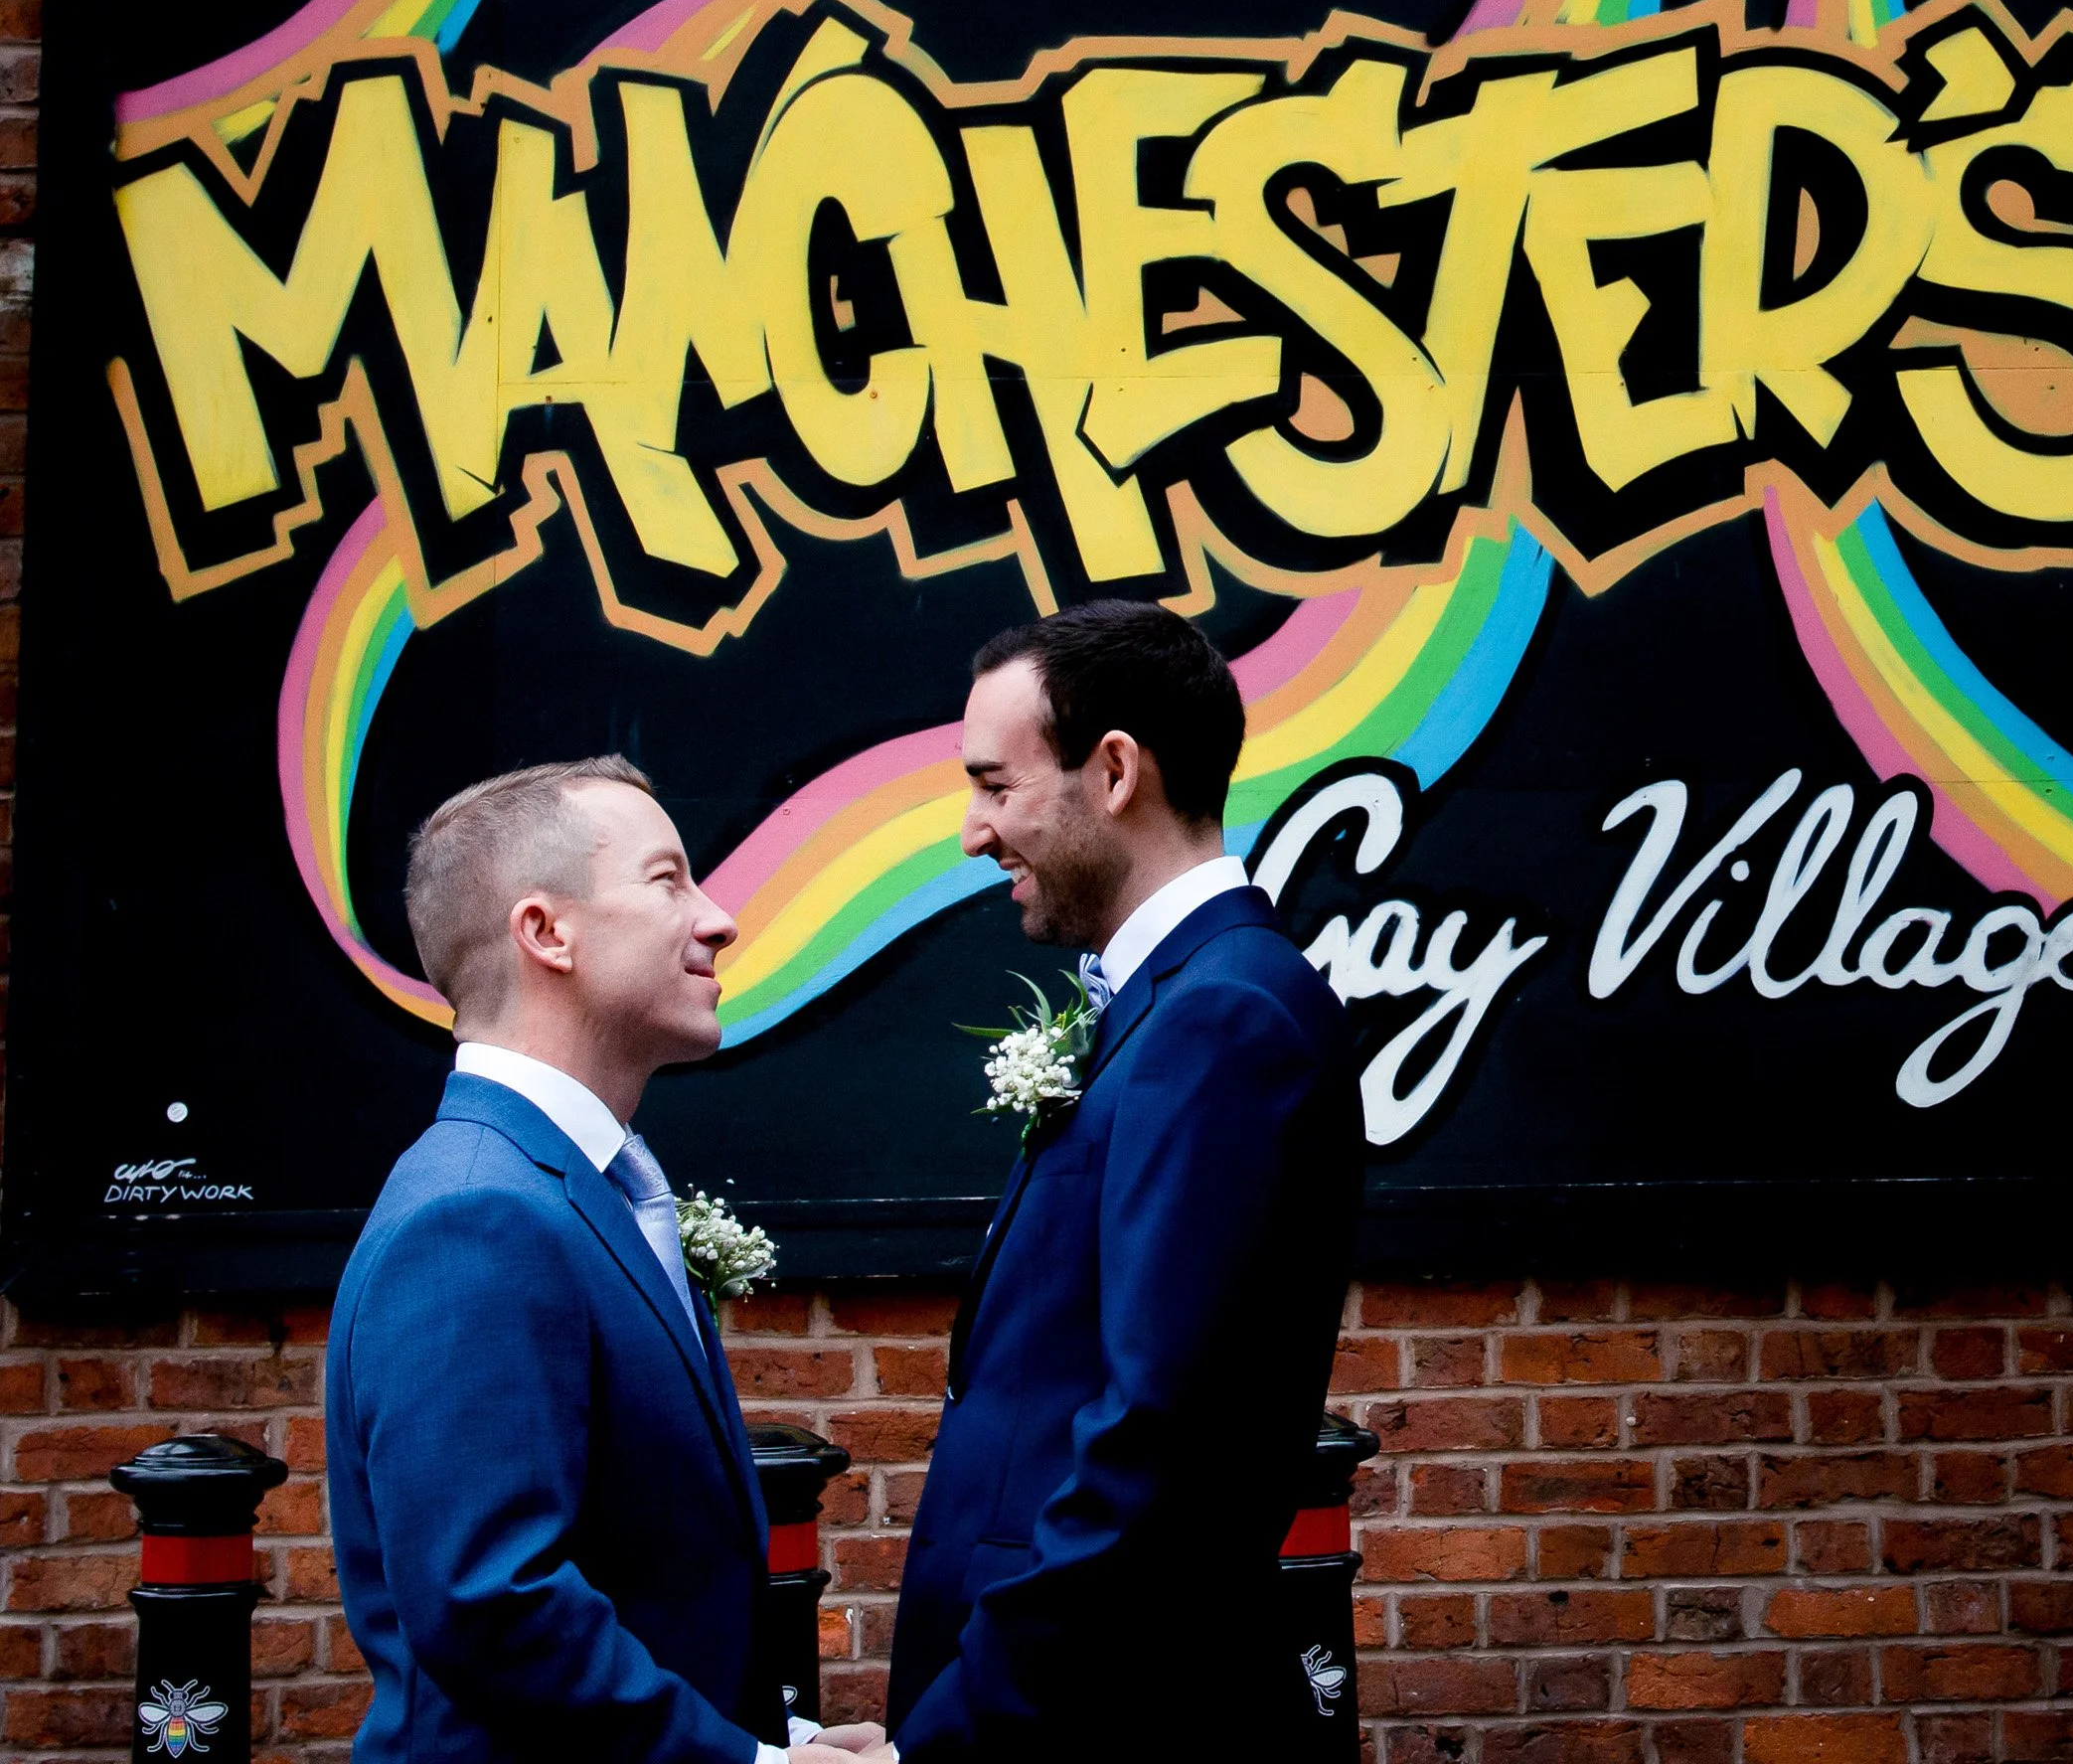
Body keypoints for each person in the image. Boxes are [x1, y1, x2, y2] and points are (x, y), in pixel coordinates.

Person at [327, 756, 892, 1764]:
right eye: (666, 879)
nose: (718, 920)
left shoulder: (574, 1188)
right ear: (547, 932)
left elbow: (646, 1578)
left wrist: (782, 1738)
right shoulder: (474, 1216)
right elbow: (491, 1607)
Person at [886, 601, 1365, 1762]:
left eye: (996, 787)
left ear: (1113, 773)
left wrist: (948, 1740)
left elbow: (1155, 1456)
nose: (971, 832)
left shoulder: (1222, 1021)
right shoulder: (1183, 1006)